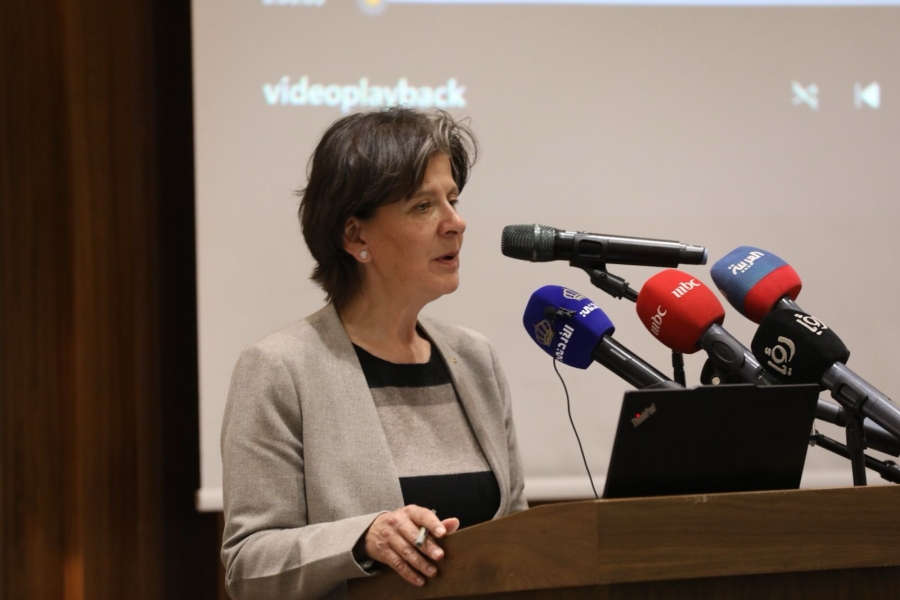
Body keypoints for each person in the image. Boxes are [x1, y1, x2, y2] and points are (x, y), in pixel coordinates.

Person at [220, 107, 528, 600]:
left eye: (452, 200)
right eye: (423, 206)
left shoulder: (475, 359)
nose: (456, 223)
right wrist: (363, 539)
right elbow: (249, 567)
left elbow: (518, 532)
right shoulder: (281, 369)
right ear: (355, 235)